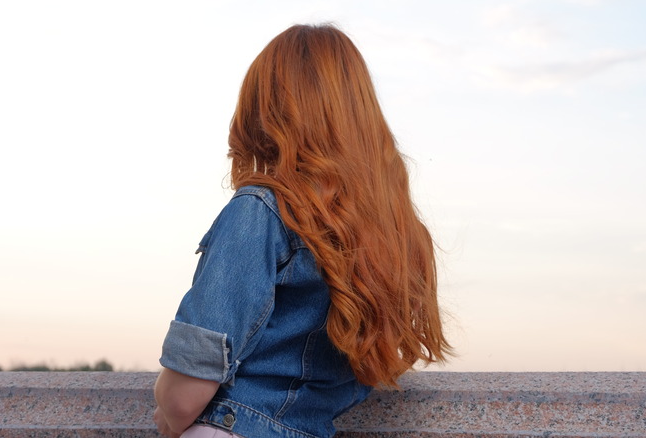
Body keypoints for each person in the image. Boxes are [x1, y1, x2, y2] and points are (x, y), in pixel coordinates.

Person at [153, 23, 451, 438]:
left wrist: (167, 409)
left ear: (264, 109)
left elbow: (184, 395)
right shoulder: (395, 236)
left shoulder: (259, 213)